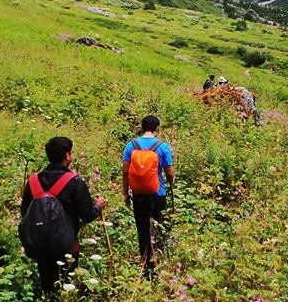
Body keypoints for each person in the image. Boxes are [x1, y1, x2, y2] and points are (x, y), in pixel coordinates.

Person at [21, 137, 106, 295]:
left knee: (48, 288)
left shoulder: (33, 182)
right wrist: (98, 206)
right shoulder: (74, 182)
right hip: (66, 245)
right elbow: (87, 215)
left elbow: (25, 213)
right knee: (66, 287)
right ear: (67, 155)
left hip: (39, 245)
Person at [122, 115, 175, 276]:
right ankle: (157, 259)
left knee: (142, 227)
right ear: (157, 128)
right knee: (158, 224)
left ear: (141, 127)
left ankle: (145, 261)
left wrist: (125, 193)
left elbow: (125, 172)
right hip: (158, 193)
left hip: (138, 194)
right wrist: (171, 186)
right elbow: (170, 173)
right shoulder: (162, 146)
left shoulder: (131, 145)